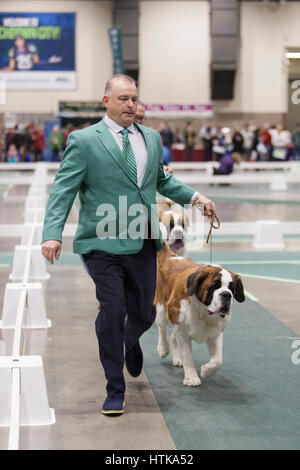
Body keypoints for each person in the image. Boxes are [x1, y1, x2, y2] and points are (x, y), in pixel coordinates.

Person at [41, 74, 215, 416]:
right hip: (101, 243)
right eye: (123, 99)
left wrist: (196, 198)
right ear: (106, 101)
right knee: (112, 310)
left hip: (143, 242)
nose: (130, 105)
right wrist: (52, 232)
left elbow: (161, 180)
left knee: (144, 313)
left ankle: (130, 340)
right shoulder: (84, 140)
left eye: (134, 98)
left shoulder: (151, 138)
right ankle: (114, 388)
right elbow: (64, 188)